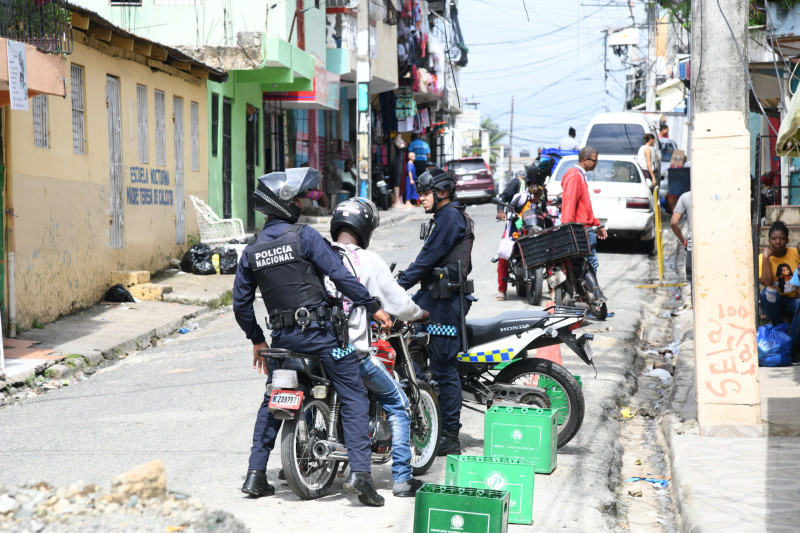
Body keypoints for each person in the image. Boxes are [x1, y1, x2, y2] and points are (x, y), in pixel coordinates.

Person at [233, 167, 393, 507]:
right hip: (324, 340)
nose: (303, 202)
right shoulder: (305, 237)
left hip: (284, 342)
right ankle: (361, 476)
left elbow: (240, 304)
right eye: (298, 198)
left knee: (273, 398)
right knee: (353, 391)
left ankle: (255, 474)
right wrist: (373, 306)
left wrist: (257, 340)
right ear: (284, 204)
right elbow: (341, 276)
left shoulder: (252, 250)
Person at [326, 198, 430, 497]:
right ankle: (402, 479)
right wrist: (420, 313)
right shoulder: (368, 260)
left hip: (317, 349)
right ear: (365, 228)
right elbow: (397, 302)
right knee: (397, 403)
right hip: (352, 352)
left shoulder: (319, 255)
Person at [397, 168, 474, 456]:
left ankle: (450, 436)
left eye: (426, 193)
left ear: (442, 192)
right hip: (433, 296)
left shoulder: (450, 217)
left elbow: (425, 261)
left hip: (445, 303)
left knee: (443, 367)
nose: (421, 199)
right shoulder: (444, 217)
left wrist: (395, 287)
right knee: (402, 341)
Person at [560, 146, 608, 274]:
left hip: (586, 228)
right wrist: (568, 228)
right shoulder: (575, 176)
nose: (596, 164)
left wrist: (597, 224)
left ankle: (588, 292)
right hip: (581, 230)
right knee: (590, 264)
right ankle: (594, 293)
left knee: (586, 266)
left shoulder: (579, 176)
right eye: (595, 160)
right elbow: (570, 205)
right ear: (585, 160)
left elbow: (585, 208)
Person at [758, 221, 800, 354]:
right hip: (773, 303)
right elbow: (767, 282)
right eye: (774, 238)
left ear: (788, 240)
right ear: (769, 240)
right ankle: (779, 329)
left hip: (792, 301)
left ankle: (790, 347)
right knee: (767, 293)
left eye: (782, 238)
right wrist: (765, 258)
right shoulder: (763, 258)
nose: (778, 242)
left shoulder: (795, 253)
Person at [493, 170, 529, 300]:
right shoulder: (518, 182)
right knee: (504, 252)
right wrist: (500, 211)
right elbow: (502, 197)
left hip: (533, 223)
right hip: (516, 222)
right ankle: (502, 290)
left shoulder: (541, 187)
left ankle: (553, 289)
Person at [670, 191, 693, 290]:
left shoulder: (686, 197)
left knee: (694, 286)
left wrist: (683, 240)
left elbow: (674, 222)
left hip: (693, 248)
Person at [392, 136, 407, 208]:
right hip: (397, 162)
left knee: (400, 181)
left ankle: (399, 200)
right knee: (397, 181)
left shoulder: (401, 142)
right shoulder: (397, 143)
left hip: (401, 162)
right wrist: (398, 137)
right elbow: (397, 143)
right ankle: (397, 200)